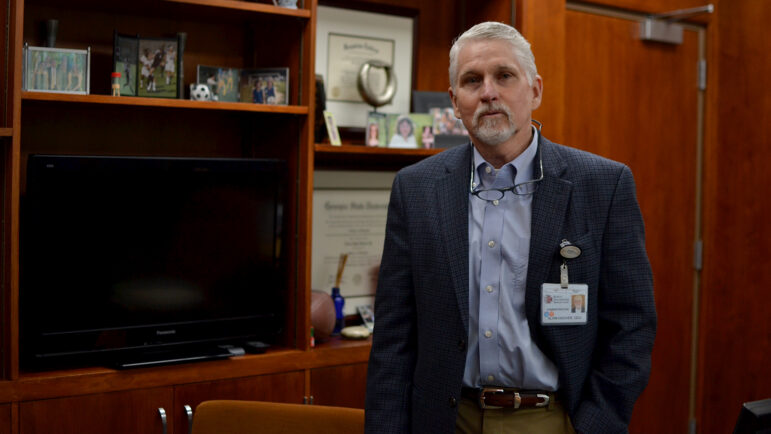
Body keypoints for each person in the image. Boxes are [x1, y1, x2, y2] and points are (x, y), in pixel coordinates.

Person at [365, 21, 656, 434]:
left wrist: (594, 423)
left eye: (504, 76)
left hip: (553, 418)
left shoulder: (603, 185)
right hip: (447, 419)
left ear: (534, 90)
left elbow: (632, 324)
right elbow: (394, 336)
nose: (488, 92)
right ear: (454, 100)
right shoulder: (416, 189)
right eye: (472, 81)